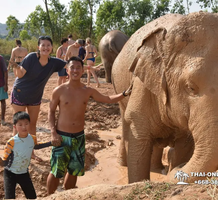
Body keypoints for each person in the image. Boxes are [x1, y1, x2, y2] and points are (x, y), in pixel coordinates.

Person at [46, 56, 132, 195]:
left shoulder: (88, 91)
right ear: (67, 70)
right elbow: (50, 112)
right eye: (72, 67)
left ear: (83, 70)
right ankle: (49, 197)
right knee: (56, 171)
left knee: (73, 171)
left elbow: (107, 99)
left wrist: (124, 94)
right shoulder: (59, 90)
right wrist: (53, 133)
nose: (75, 70)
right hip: (62, 137)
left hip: (79, 137)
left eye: (78, 68)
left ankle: (68, 196)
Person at [9, 36, 66, 161]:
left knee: (32, 125)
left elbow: (70, 65)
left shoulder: (54, 62)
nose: (45, 47)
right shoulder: (31, 57)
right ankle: (15, 153)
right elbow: (20, 74)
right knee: (19, 125)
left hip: (35, 97)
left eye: (48, 45)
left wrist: (88, 67)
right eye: (43, 45)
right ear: (38, 47)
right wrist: (16, 67)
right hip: (20, 94)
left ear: (51, 47)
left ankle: (31, 153)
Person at [0, 111, 52, 199]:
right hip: (10, 173)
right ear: (15, 127)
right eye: (20, 125)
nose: (24, 127)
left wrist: (51, 143)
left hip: (24, 172)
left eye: (26, 124)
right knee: (10, 198)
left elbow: (37, 146)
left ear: (30, 124)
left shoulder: (32, 138)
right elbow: (5, 162)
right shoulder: (11, 142)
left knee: (32, 197)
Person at [0, 55, 8, 126]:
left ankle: (2, 119)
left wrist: (6, 84)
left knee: (2, 101)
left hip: (1, 84)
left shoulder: (1, 58)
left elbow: (5, 71)